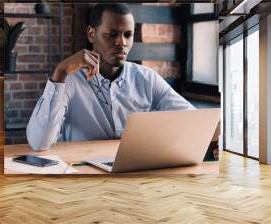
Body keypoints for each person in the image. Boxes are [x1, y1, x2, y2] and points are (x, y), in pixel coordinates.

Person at [26, 3, 195, 151]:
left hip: (133, 172)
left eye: (128, 35)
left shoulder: (147, 78)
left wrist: (217, 140)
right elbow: (39, 143)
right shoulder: (69, 81)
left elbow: (192, 119)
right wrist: (60, 71)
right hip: (82, 175)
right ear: (92, 34)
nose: (122, 43)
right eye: (112, 34)